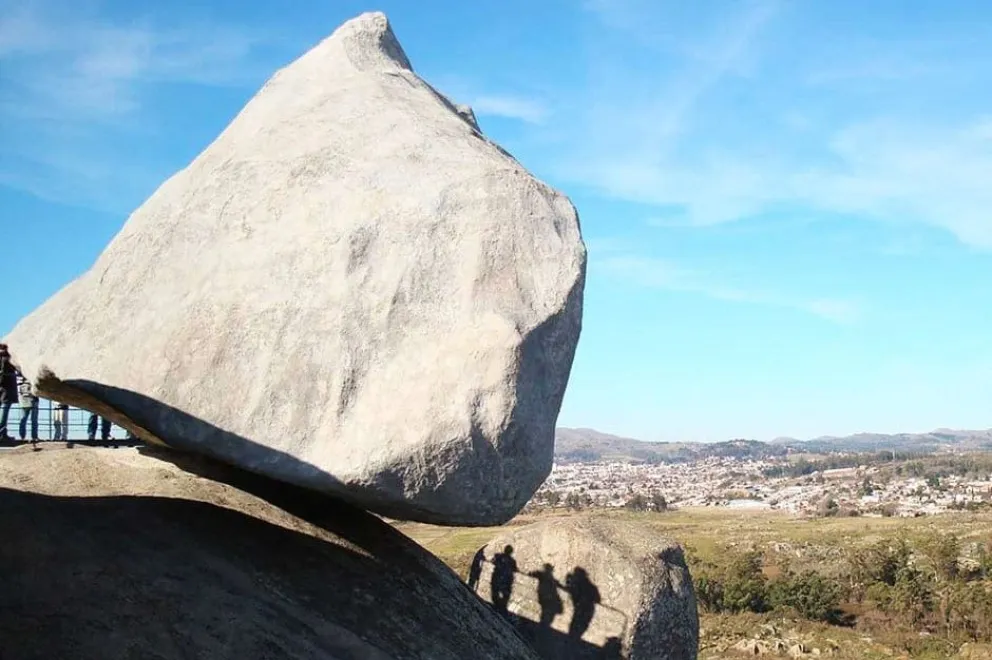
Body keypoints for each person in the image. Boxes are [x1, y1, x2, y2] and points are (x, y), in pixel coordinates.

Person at [490, 545, 518, 617]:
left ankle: (497, 607)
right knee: (505, 596)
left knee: (495, 593)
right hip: (507, 580)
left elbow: (492, 561)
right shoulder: (512, 561)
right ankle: (501, 609)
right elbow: (515, 570)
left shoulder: (498, 556)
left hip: (497, 578)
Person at [0, 344, 17, 441]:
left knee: (3, 410)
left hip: (3, 385)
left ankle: (3, 432)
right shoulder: (9, 357)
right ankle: (2, 433)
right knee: (5, 410)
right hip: (7, 386)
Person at [17, 375, 38, 445]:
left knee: (23, 419)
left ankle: (23, 436)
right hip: (32, 399)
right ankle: (34, 437)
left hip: (25, 400)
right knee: (33, 420)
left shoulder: (20, 379)